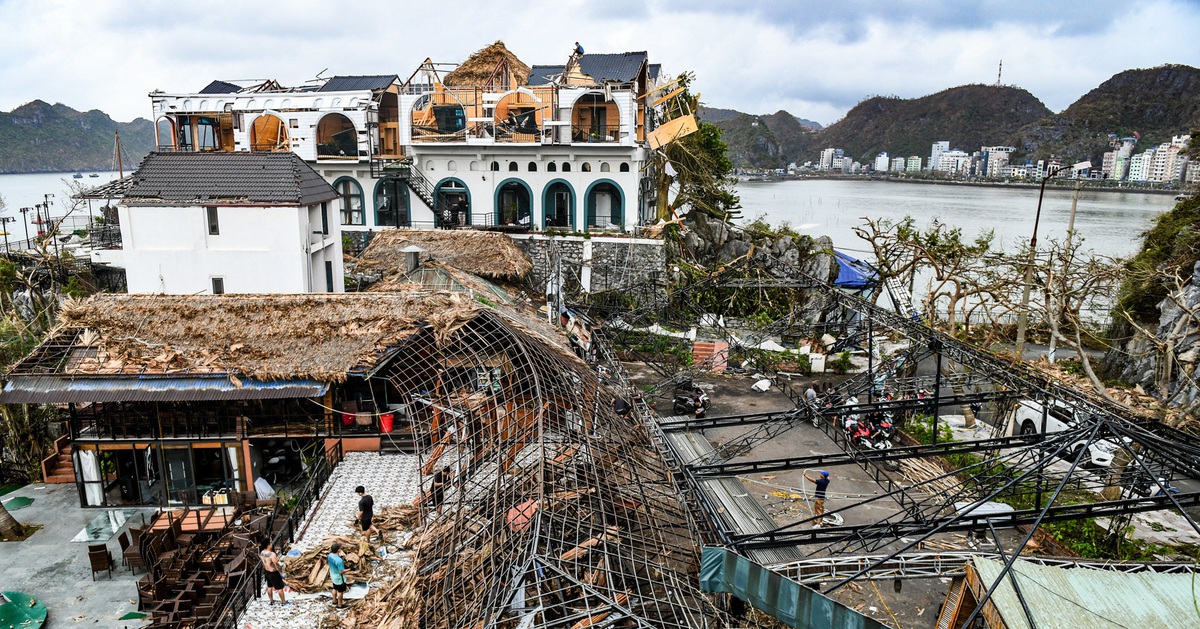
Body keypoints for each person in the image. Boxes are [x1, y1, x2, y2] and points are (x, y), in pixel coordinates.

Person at [259, 539, 290, 605]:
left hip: (267, 571)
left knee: (269, 587)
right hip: (274, 573)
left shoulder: (262, 552)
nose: (271, 544)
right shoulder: (272, 554)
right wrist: (282, 573)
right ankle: (283, 602)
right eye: (270, 543)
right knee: (279, 588)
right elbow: (276, 564)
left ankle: (271, 601)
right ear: (268, 545)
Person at [327, 541, 347, 609]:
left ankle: (334, 601)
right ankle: (340, 605)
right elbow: (341, 571)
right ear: (338, 550)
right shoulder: (339, 560)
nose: (341, 549)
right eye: (340, 548)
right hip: (339, 578)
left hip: (333, 575)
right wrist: (349, 570)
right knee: (340, 591)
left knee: (334, 588)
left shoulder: (329, 555)